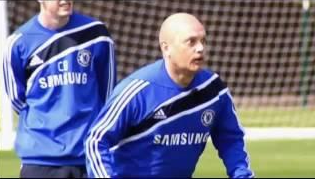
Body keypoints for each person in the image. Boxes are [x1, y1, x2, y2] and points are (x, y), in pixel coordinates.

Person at [85, 13, 254, 178]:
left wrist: (242, 175)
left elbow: (231, 138)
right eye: (191, 42)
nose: (201, 48)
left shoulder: (213, 89)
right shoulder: (137, 91)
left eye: (203, 41)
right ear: (166, 48)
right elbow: (96, 141)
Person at [3, 0, 116, 178]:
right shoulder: (18, 43)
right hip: (40, 161)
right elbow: (17, 99)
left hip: (87, 157)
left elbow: (108, 92)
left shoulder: (97, 35)